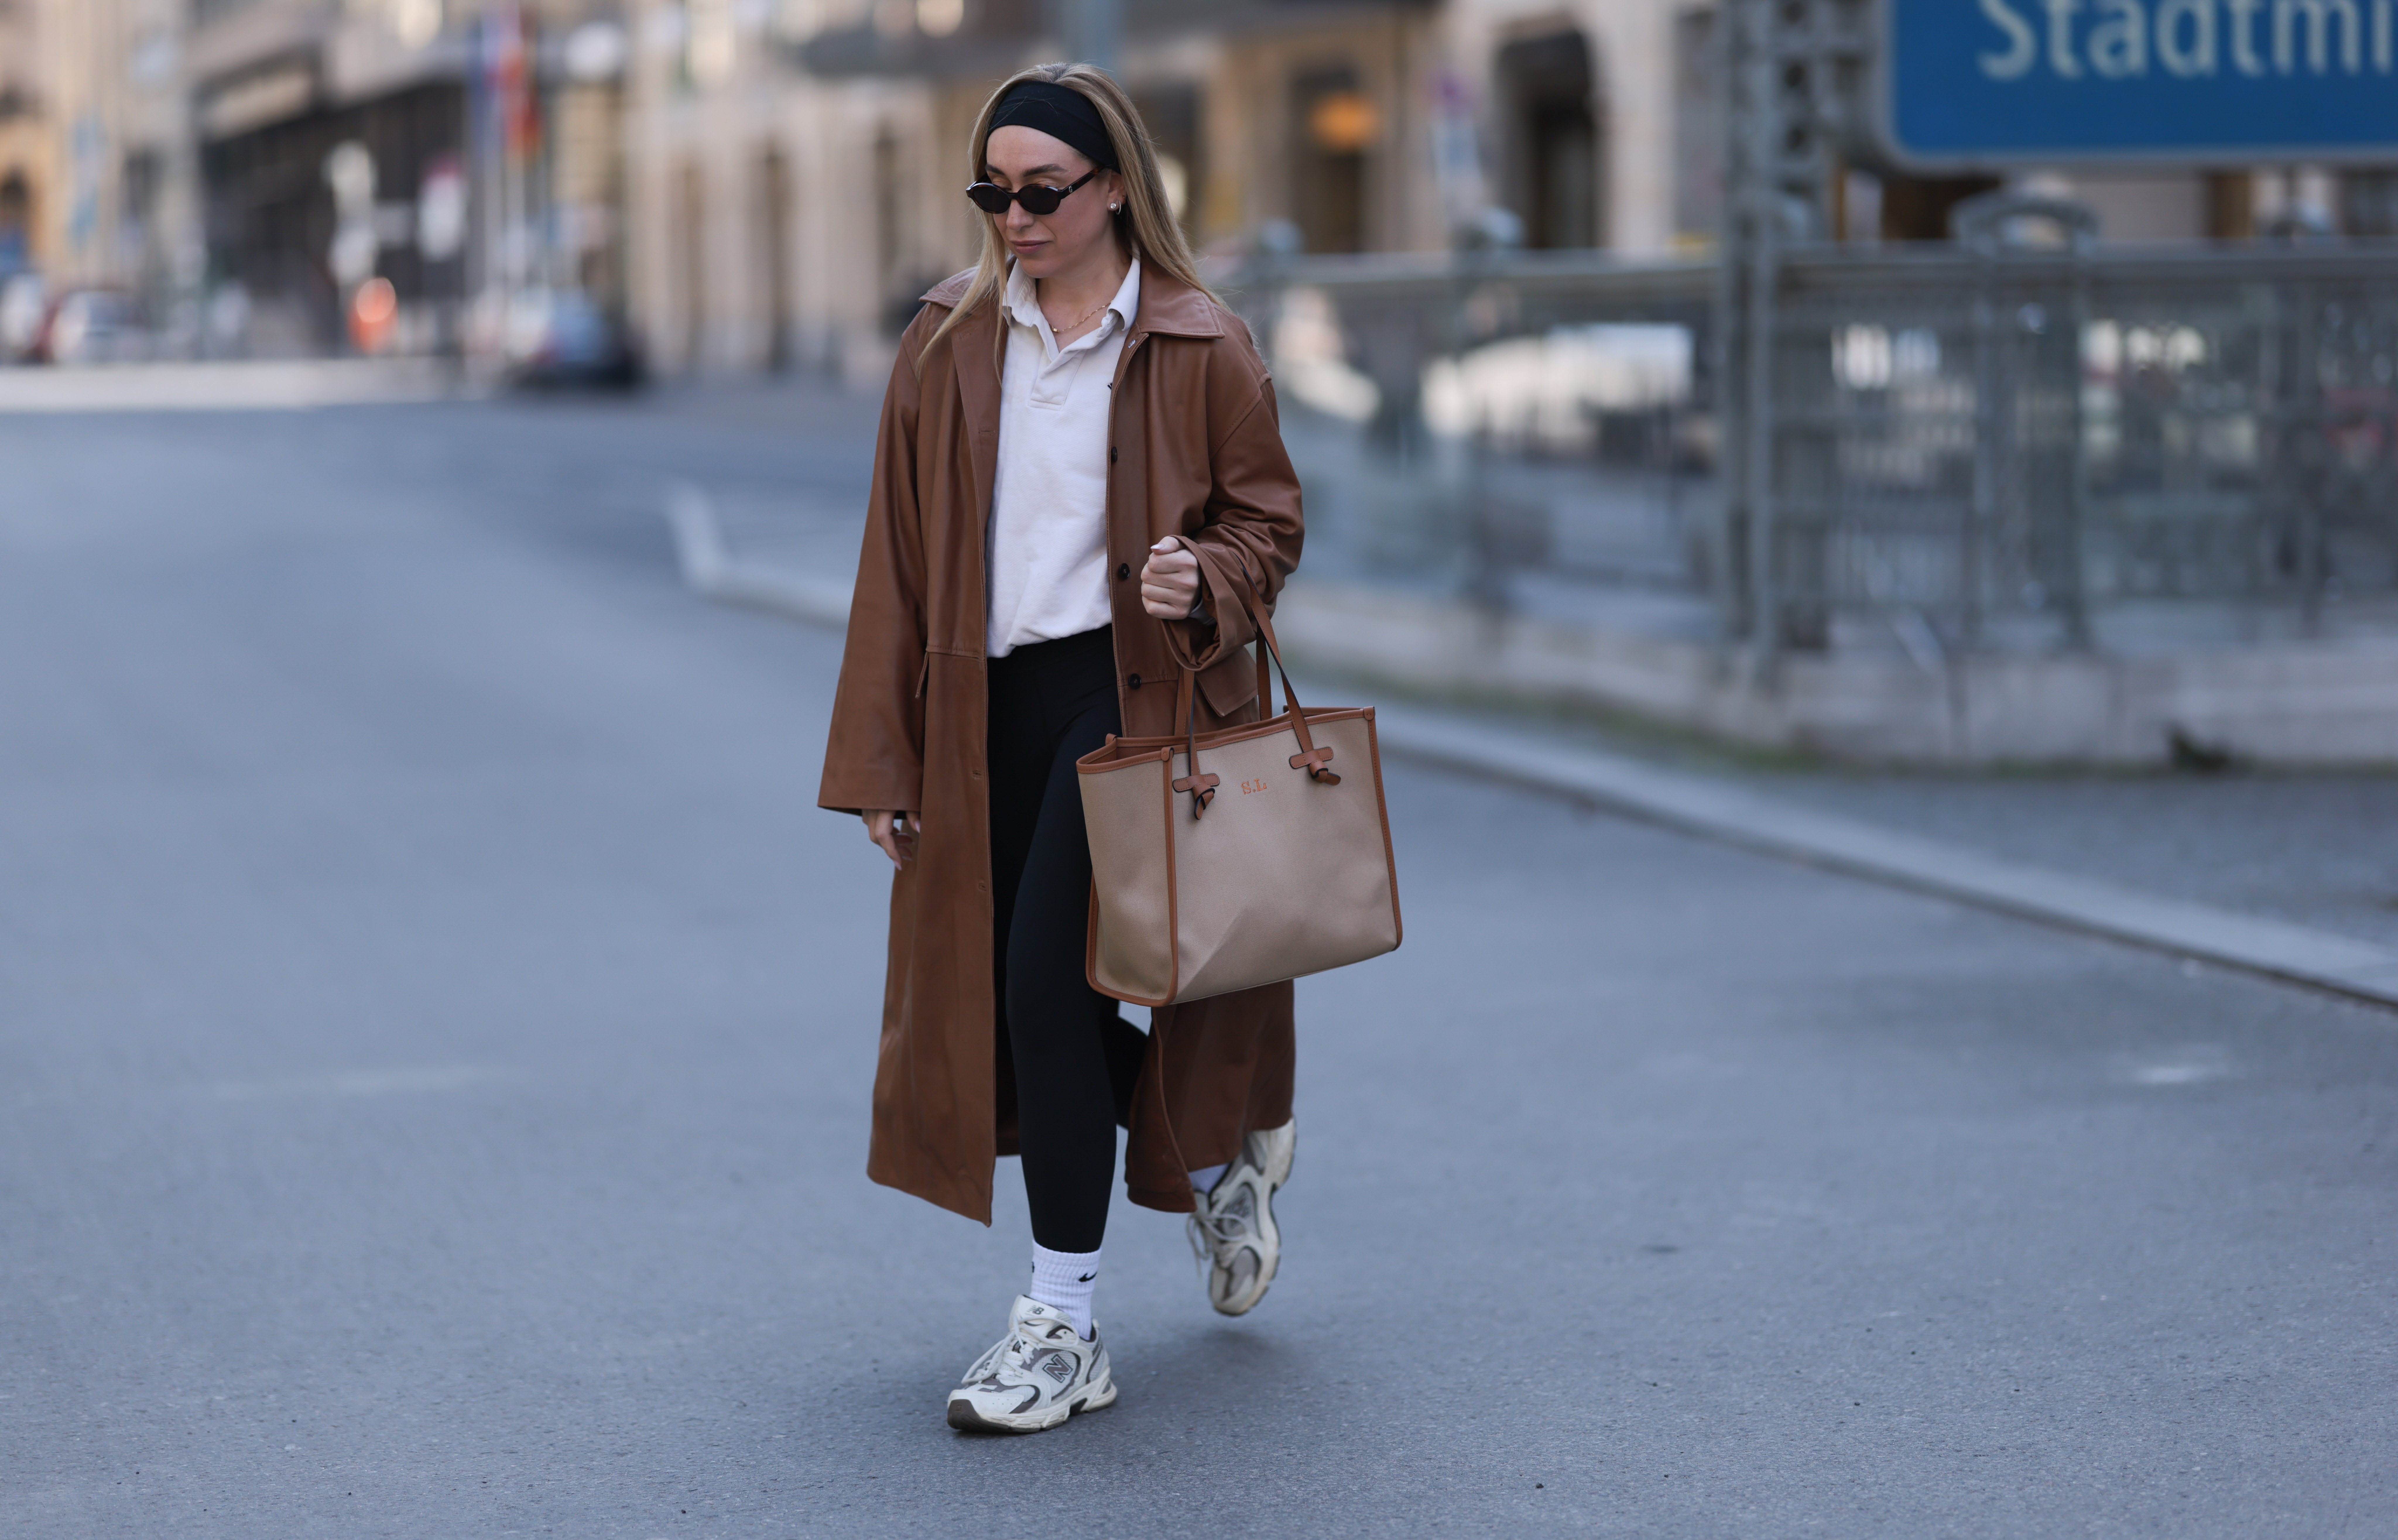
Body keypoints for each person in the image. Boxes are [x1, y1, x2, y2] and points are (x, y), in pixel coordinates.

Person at [818, 62, 1306, 1434]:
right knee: (1010, 1004)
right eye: (994, 192)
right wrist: (883, 759)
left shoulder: (1201, 343)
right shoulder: (947, 341)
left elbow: (1269, 522)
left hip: (1135, 698)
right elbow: (894, 562)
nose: (1015, 217)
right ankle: (1215, 1155)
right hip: (984, 707)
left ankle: (1062, 1324)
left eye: (1041, 191)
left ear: (1113, 189)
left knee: (1043, 977)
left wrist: (1205, 574)